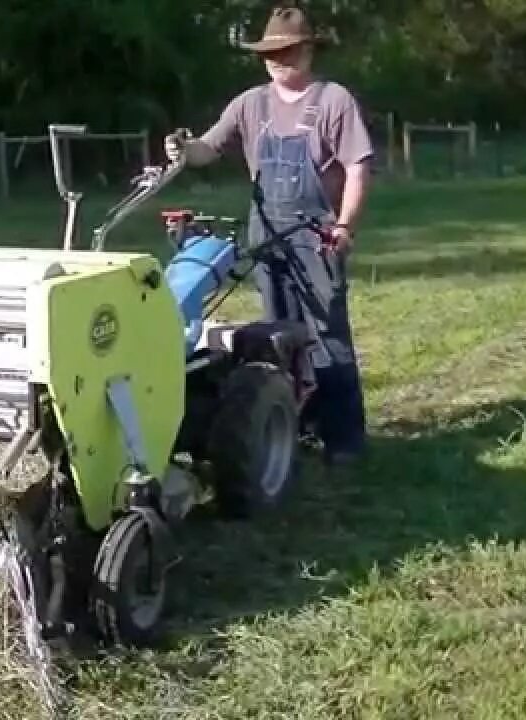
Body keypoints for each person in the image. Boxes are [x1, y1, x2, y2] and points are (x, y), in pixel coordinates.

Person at [165, 6, 372, 466]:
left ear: (309, 50)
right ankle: (293, 422)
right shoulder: (250, 103)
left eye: (290, 50)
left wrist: (344, 227)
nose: (280, 59)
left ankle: (344, 438)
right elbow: (207, 149)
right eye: (271, 52)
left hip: (317, 233)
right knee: (277, 332)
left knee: (326, 332)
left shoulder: (333, 99)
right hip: (268, 232)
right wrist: (182, 148)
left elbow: (358, 166)